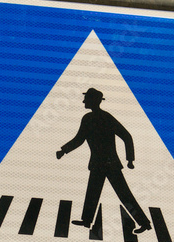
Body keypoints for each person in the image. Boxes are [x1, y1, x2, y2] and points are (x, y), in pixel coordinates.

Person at [56, 88, 152, 234]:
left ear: (94, 101)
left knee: (124, 195)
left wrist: (130, 159)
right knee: (92, 193)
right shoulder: (87, 119)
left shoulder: (106, 118)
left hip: (110, 164)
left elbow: (126, 136)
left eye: (86, 99)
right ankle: (87, 221)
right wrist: (64, 150)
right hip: (97, 163)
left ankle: (144, 223)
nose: (83, 101)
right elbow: (79, 139)